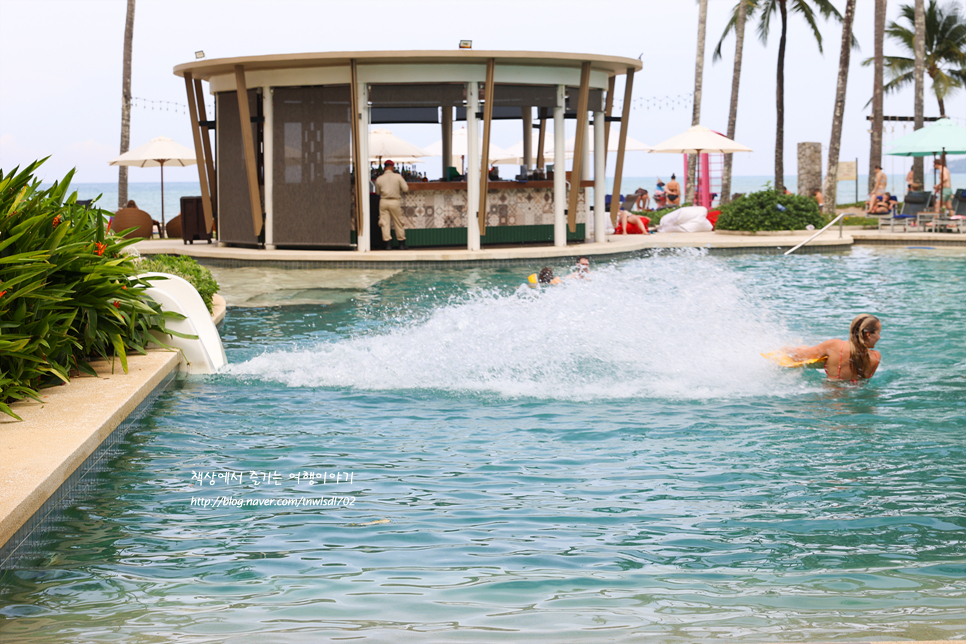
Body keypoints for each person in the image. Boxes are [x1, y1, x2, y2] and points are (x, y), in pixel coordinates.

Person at [785, 314, 882, 382]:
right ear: (868, 334)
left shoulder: (835, 346)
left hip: (832, 400)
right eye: (879, 333)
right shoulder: (876, 357)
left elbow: (797, 357)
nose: (879, 337)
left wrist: (785, 350)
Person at [375, 160, 409, 250]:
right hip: (394, 201)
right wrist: (399, 191)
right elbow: (405, 189)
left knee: (384, 223)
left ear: (384, 167)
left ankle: (388, 245)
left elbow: (377, 192)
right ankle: (401, 244)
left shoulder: (379, 178)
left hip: (383, 201)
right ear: (392, 167)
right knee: (398, 222)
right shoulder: (398, 177)